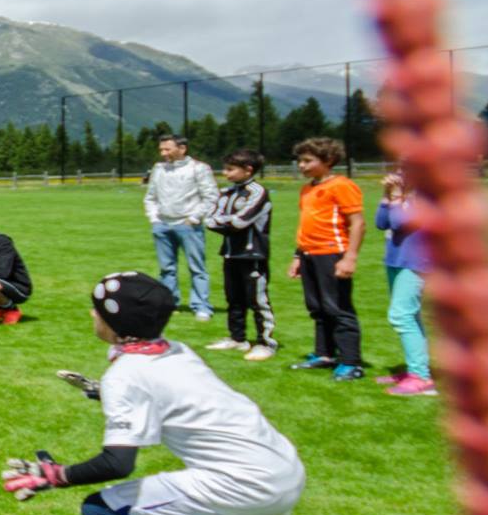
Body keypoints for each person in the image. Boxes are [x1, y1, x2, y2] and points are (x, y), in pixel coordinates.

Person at [1, 271, 358, 515]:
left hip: (245, 484)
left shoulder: (126, 374)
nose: (91, 314)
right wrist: (103, 393)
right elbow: (176, 397)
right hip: (283, 467)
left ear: (116, 322)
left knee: (102, 511)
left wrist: (57, 476)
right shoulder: (175, 350)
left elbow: (118, 463)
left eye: (97, 309)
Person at [286, 137, 366, 380]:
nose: (302, 165)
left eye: (308, 161)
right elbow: (306, 225)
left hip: (332, 253)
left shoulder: (341, 185)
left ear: (328, 160)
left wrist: (349, 258)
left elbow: (358, 223)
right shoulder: (307, 189)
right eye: (300, 161)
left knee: (338, 308)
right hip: (309, 254)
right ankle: (325, 354)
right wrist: (298, 255)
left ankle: (351, 362)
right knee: (318, 308)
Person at [205, 149, 278, 361]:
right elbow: (209, 219)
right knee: (233, 298)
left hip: (252, 254)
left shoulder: (258, 192)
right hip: (230, 253)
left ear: (248, 170)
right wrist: (224, 221)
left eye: (230, 169)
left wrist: (223, 221)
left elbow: (240, 221)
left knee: (257, 300)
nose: (225, 173)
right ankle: (237, 338)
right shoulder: (227, 192)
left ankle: (266, 343)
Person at [144, 134, 219, 321]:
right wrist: (154, 218)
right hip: (162, 225)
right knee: (166, 268)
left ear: (182, 148)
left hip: (188, 225)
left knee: (197, 267)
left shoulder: (199, 168)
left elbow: (211, 196)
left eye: (167, 149)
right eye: (161, 149)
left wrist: (194, 218)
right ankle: (169, 304)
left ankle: (201, 306)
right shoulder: (158, 169)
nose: (163, 153)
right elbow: (151, 196)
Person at [377, 168, 435, 397]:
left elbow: (400, 222)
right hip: (396, 261)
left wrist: (396, 196)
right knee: (411, 315)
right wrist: (387, 196)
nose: (399, 173)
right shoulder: (404, 196)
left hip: (416, 263)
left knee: (401, 315)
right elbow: (381, 222)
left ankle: (420, 377)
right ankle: (416, 370)